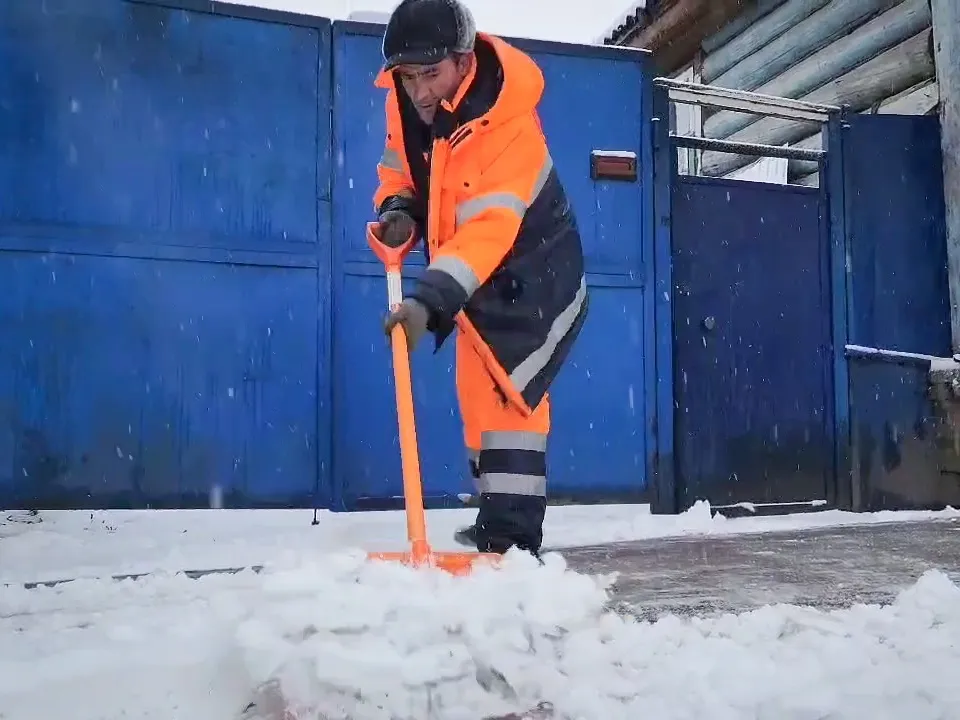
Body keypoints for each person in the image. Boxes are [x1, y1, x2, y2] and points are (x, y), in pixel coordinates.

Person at [371, 0, 588, 558]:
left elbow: (487, 232)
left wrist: (429, 300)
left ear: (464, 62)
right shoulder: (411, 104)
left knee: (512, 398)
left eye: (431, 74)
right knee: (477, 393)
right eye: (408, 76)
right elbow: (402, 166)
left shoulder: (506, 126)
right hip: (473, 280)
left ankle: (514, 544)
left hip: (532, 275)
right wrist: (399, 208)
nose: (419, 91)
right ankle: (495, 521)